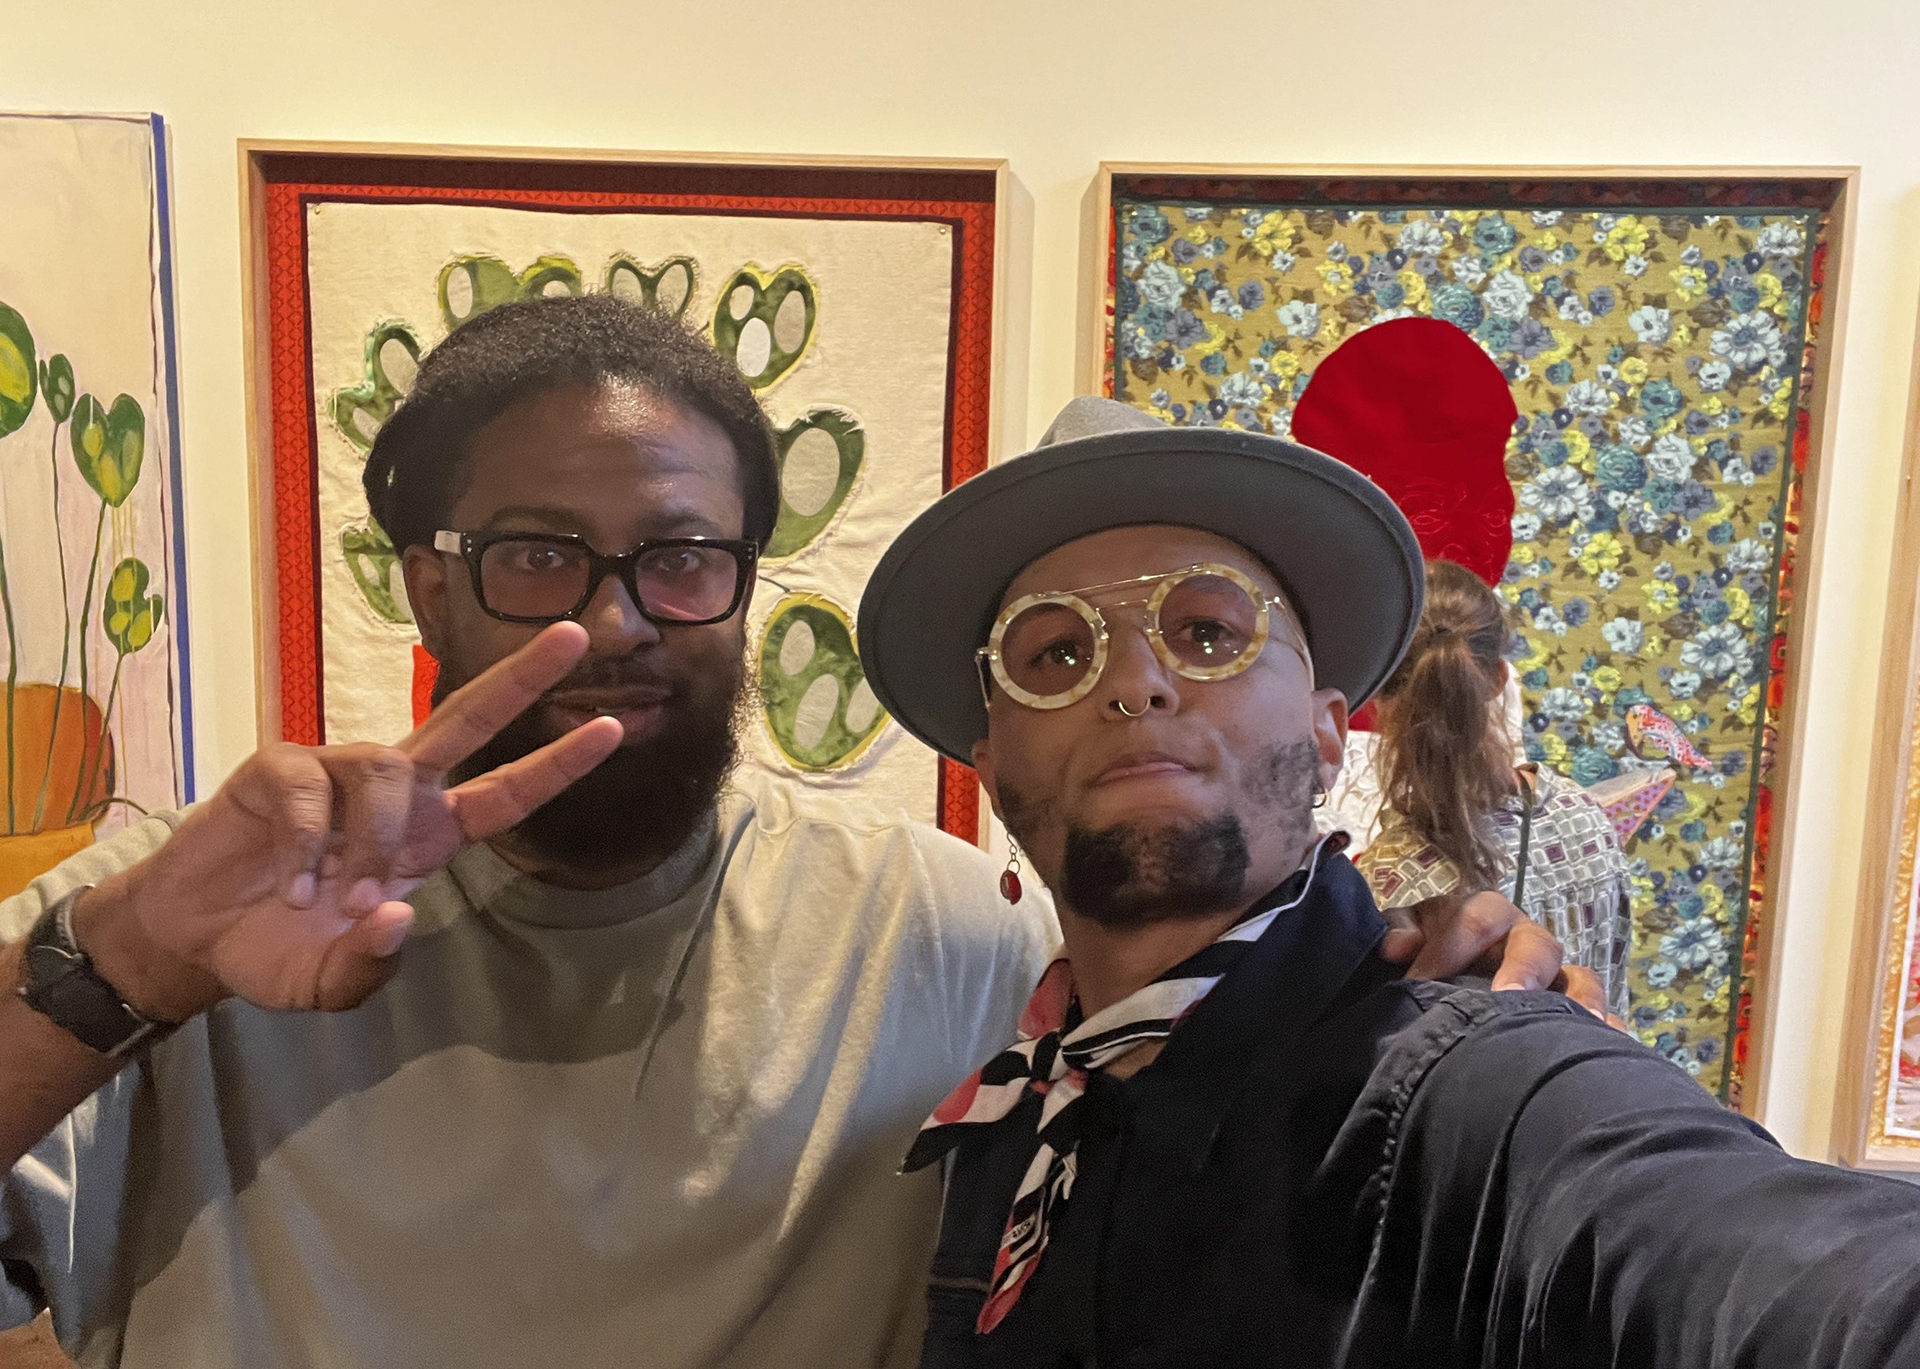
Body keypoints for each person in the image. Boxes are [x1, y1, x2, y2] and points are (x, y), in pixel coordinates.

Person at [0, 300, 1564, 1368]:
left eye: (684, 557)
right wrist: (127, 963)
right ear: (428, 583)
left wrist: (1430, 992)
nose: (618, 620)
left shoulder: (942, 935)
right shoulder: (194, 916)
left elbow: (1217, 1043)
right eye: (539, 555)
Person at [858, 395, 1920, 1368]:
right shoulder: (1000, 1124)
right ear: (992, 768)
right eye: (1054, 654)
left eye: (1208, 633)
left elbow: (1778, 1269)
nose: (1135, 680)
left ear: (1328, 735)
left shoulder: (1478, 1091)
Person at [1357, 558, 1633, 1018]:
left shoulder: (1385, 879)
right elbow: (1615, 990)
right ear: (1499, 678)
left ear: (1375, 693)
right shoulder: (1588, 818)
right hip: (1603, 1057)